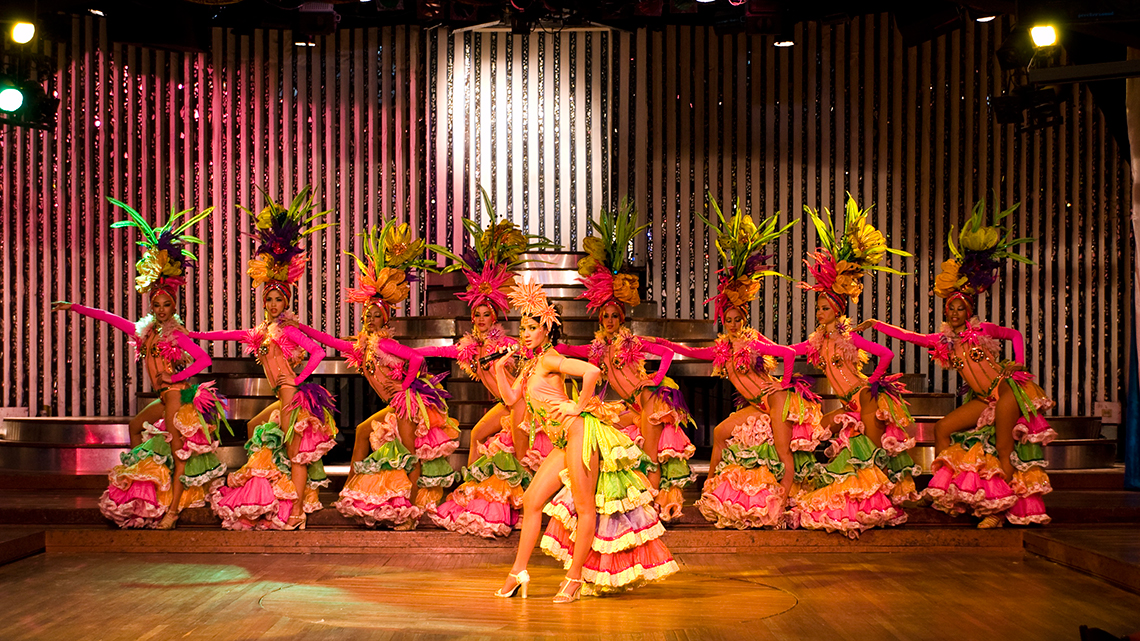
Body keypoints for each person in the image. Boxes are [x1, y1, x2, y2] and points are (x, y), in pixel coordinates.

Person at [856, 196, 1053, 527]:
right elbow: (909, 337)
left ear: (969, 311)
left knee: (1004, 451)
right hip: (982, 399)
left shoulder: (983, 330)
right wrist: (876, 325)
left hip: (1006, 391)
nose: (955, 312)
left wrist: (1016, 363)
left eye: (961, 308)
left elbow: (1015, 336)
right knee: (944, 428)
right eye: (951, 308)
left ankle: (998, 511)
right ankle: (953, 496)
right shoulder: (944, 340)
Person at [494, 279, 678, 603]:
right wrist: (498, 367)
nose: (525, 332)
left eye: (532, 326)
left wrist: (578, 406)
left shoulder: (550, 358)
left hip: (581, 432)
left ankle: (574, 578)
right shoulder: (530, 365)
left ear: (547, 331)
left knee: (584, 507)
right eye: (522, 326)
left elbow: (592, 372)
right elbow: (510, 399)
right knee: (533, 501)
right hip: (563, 441)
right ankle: (518, 571)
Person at [54, 198, 226, 530]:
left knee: (180, 457)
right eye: (156, 305)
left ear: (173, 307)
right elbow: (109, 317)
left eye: (166, 305)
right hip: (162, 398)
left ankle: (173, 510)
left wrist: (179, 376)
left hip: (176, 396)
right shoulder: (144, 331)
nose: (161, 310)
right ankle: (144, 484)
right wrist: (75, 307)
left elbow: (204, 359)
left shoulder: (179, 335)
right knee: (135, 427)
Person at [662, 197, 825, 529]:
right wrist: (664, 344)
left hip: (774, 398)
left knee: (782, 450)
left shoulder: (754, 340)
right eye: (729, 319)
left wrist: (783, 386)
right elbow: (693, 354)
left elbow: (789, 354)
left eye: (738, 319)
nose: (733, 324)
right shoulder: (721, 348)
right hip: (755, 404)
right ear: (723, 319)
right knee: (721, 432)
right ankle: (709, 486)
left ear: (744, 318)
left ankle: (785, 494)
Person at [194, 187, 337, 531]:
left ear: (285, 301)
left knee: (295, 454)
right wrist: (196, 337)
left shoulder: (287, 330)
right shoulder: (262, 330)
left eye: (278, 300)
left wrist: (299, 381)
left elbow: (319, 350)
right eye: (269, 299)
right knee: (255, 426)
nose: (273, 304)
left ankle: (298, 508)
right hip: (281, 396)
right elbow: (226, 336)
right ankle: (278, 492)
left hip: (291, 395)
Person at [307, 221, 460, 527]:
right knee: (363, 432)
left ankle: (411, 511)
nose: (372, 319)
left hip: (406, 403)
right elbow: (332, 342)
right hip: (395, 403)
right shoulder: (362, 346)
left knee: (407, 453)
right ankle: (349, 489)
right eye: (368, 315)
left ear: (384, 319)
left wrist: (404, 388)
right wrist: (302, 328)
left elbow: (416, 357)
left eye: (377, 315)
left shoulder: (386, 343)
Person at [420, 197, 556, 536]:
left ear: (494, 317)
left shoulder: (505, 346)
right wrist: (412, 351)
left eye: (486, 314)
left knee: (520, 456)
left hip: (520, 404)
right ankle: (470, 496)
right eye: (476, 315)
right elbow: (448, 351)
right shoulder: (472, 346)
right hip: (507, 402)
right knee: (479, 434)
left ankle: (526, 508)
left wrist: (502, 365)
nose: (480, 319)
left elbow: (517, 378)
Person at [557, 198, 695, 521]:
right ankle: (641, 503)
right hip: (633, 403)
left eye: (613, 316)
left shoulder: (630, 340)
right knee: (614, 439)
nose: (609, 321)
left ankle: (651, 509)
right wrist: (553, 350)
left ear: (620, 318)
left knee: (649, 455)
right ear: (600, 319)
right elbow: (572, 353)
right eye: (604, 316)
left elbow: (667, 352)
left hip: (653, 398)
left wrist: (657, 379)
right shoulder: (597, 348)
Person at [788, 196, 916, 538]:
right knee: (834, 441)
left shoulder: (849, 338)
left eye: (825, 309)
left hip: (864, 396)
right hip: (851, 401)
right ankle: (856, 510)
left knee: (870, 459)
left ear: (838, 311)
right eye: (818, 308)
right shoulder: (819, 341)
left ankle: (870, 511)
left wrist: (871, 386)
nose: (820, 313)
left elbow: (886, 356)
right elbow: (787, 350)